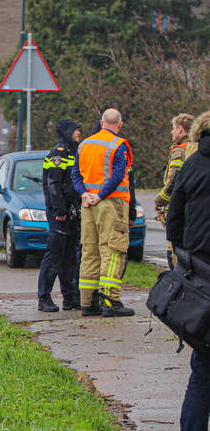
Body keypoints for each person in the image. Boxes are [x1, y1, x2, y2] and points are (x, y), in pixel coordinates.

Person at [165, 110, 210, 431]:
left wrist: (188, 260)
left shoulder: (193, 164)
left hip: (202, 286)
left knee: (201, 379)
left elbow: (173, 221)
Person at [70, 108, 135, 317]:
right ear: (120, 124)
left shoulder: (85, 144)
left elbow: (76, 175)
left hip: (88, 205)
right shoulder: (118, 145)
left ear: (101, 122)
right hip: (111, 204)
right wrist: (100, 195)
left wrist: (84, 194)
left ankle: (87, 303)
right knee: (113, 250)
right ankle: (111, 300)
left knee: (89, 251)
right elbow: (117, 175)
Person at [37, 119, 83, 312]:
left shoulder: (74, 152)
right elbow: (53, 184)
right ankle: (44, 298)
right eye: (75, 129)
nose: (79, 132)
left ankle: (70, 297)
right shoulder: (58, 153)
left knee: (70, 257)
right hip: (60, 214)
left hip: (72, 213)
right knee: (54, 256)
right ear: (66, 131)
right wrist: (60, 211)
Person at [155, 113, 194, 267]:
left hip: (178, 209)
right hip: (194, 209)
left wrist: (159, 200)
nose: (171, 132)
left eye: (173, 128)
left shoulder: (179, 151)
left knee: (175, 255)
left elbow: (173, 181)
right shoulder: (198, 148)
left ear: (180, 129)